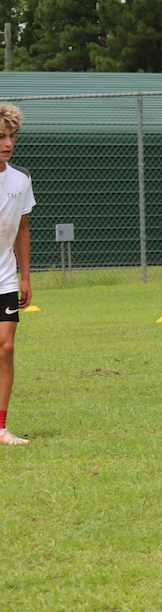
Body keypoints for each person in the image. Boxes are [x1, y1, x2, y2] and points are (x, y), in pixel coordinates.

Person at [0, 104, 33, 446]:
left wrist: (25, 277)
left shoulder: (20, 179)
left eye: (11, 136)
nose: (8, 143)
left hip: (5, 278)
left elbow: (23, 229)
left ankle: (0, 429)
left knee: (5, 348)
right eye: (1, 136)